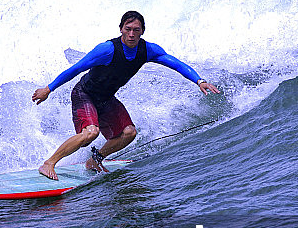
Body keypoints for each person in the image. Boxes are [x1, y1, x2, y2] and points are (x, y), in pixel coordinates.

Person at [32, 10, 220, 180]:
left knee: (129, 133)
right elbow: (76, 68)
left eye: (136, 30)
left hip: (106, 98)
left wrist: (199, 81)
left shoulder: (147, 50)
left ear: (142, 31)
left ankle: (94, 160)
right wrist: (48, 89)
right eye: (128, 29)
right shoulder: (107, 49)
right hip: (85, 93)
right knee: (90, 133)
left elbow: (176, 64)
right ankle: (49, 163)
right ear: (121, 29)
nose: (131, 34)